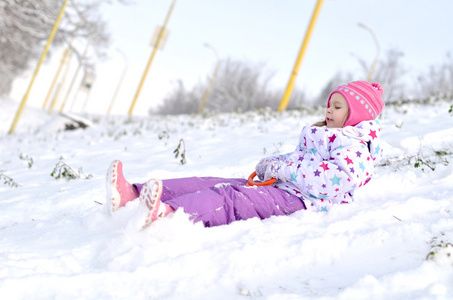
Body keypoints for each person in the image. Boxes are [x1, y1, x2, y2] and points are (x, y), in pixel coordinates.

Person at [106, 81, 385, 228]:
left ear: (355, 114)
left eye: (337, 107)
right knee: (209, 181)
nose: (328, 110)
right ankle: (133, 194)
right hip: (281, 187)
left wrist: (284, 171)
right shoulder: (324, 134)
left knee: (230, 197)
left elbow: (336, 179)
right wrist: (273, 164)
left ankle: (169, 214)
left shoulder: (356, 147)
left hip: (304, 201)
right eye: (329, 104)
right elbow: (298, 160)